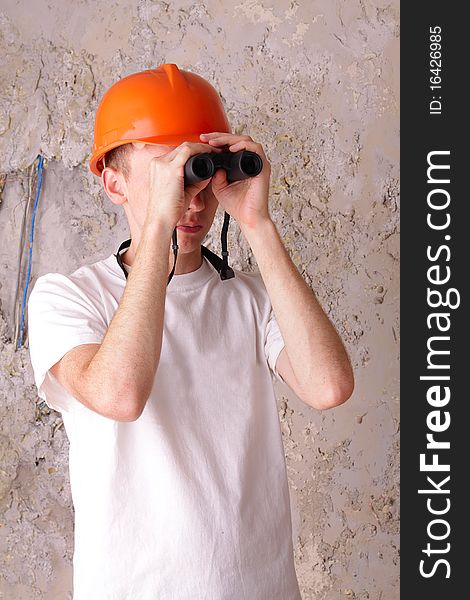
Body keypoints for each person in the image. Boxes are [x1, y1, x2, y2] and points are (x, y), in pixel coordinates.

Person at [27, 64, 354, 600]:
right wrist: (158, 221)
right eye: (167, 176)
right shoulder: (69, 297)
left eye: (199, 174)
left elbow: (329, 387)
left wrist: (257, 224)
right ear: (114, 182)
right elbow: (121, 393)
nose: (192, 200)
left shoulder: (250, 296)